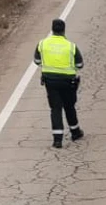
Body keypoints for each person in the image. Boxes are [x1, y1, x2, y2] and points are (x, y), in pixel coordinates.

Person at [33, 19, 83, 147]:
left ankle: (57, 140)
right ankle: (75, 132)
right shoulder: (71, 46)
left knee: (55, 108)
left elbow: (37, 61)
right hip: (68, 82)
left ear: (52, 29)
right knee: (69, 106)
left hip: (51, 81)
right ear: (63, 30)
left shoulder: (42, 44)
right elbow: (79, 64)